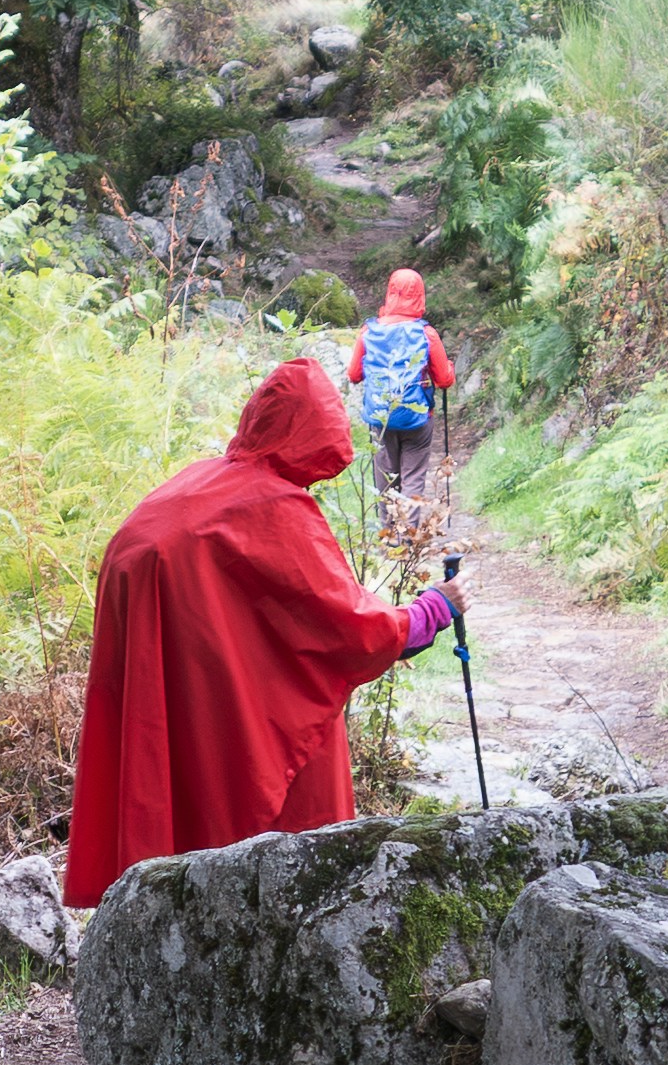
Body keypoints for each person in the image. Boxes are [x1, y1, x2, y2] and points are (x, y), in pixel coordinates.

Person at [62, 359, 457, 912]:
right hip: (237, 725)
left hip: (186, 700)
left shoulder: (188, 487)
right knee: (290, 864)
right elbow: (353, 631)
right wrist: (433, 609)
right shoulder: (272, 508)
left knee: (179, 801)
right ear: (316, 434)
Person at [351, 266, 460, 501]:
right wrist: (450, 367)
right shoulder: (426, 334)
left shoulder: (368, 331)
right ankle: (409, 535)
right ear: (420, 294)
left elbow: (353, 374)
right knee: (413, 477)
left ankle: (389, 534)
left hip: (381, 416)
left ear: (390, 292)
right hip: (416, 416)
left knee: (385, 476)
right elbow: (444, 380)